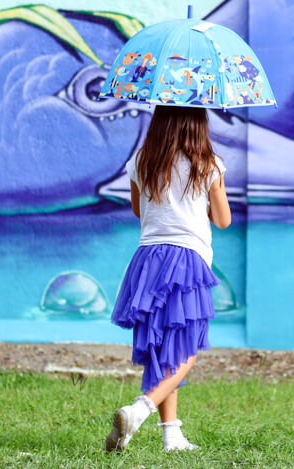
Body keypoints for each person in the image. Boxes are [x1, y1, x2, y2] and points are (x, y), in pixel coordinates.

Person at [104, 104, 231, 453]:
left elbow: (138, 210)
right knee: (188, 347)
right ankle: (140, 409)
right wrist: (213, 188)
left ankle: (171, 435)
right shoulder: (209, 164)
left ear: (158, 123)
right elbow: (223, 220)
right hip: (187, 259)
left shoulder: (143, 160)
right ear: (198, 125)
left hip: (148, 258)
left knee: (163, 348)